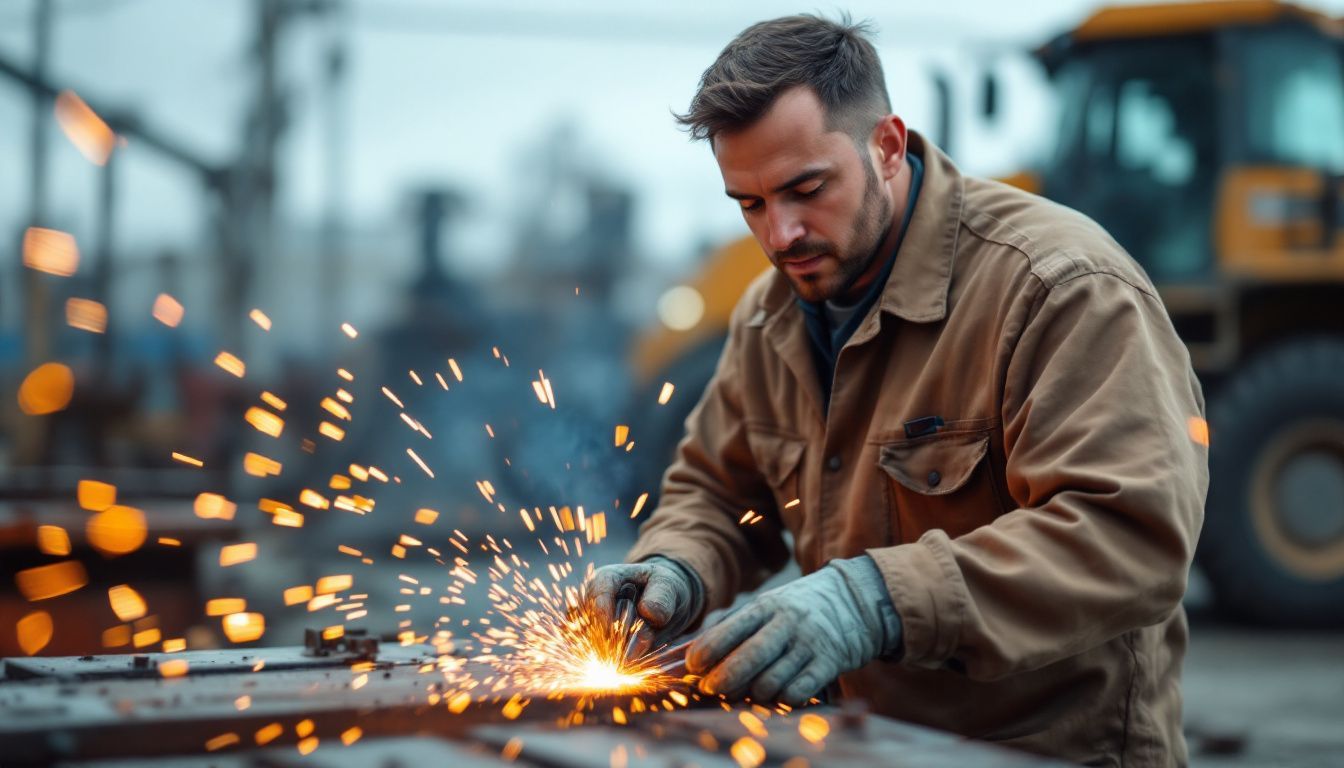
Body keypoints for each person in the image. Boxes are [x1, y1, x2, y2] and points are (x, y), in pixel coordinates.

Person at [586, 14, 1207, 767]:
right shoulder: (768, 315)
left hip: (1045, 750)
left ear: (885, 146)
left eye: (806, 189)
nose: (780, 235)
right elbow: (716, 492)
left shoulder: (1058, 289)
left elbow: (1128, 536)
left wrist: (874, 601)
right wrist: (677, 571)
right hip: (868, 744)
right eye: (749, 205)